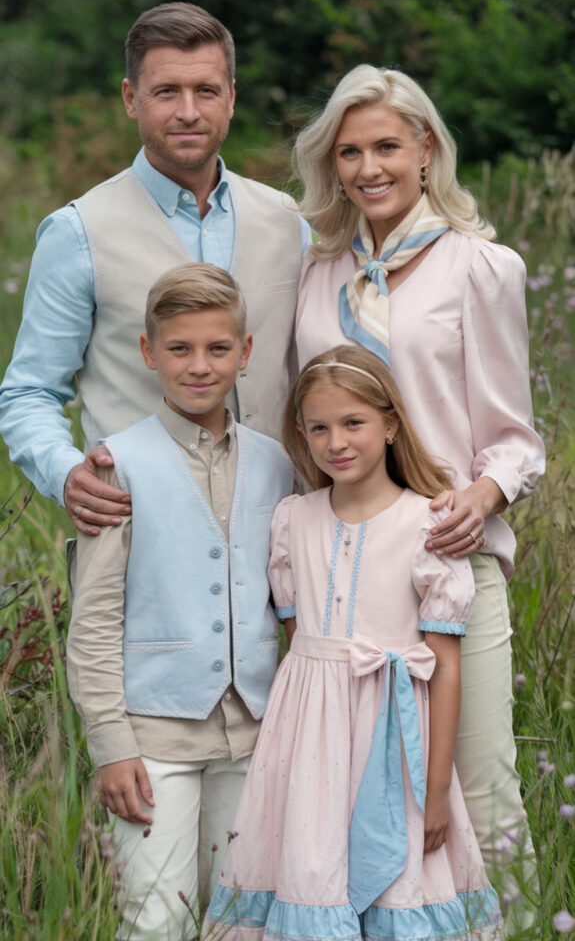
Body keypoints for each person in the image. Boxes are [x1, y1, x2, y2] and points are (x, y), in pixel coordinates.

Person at [292, 65, 545, 922]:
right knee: (360, 797)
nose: (368, 167)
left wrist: (481, 495)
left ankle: (512, 924)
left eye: (387, 146)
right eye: (350, 150)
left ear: (426, 148)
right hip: (346, 574)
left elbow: (515, 439)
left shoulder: (482, 267)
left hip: (448, 564)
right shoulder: (314, 272)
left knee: (479, 785)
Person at [203, 345, 504, 941]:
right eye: (319, 427)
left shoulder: (427, 526)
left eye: (353, 423)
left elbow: (444, 667)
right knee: (312, 870)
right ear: (301, 433)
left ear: (391, 425)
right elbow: (301, 651)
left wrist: (436, 789)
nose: (336, 441)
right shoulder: (293, 520)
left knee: (401, 877)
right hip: (308, 744)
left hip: (394, 738)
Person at [0, 2, 309, 535]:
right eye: (167, 92)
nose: (188, 111)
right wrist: (66, 472)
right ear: (130, 99)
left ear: (231, 99)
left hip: (280, 531)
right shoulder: (78, 232)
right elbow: (31, 391)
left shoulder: (287, 221)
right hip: (141, 533)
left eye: (206, 91)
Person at [66, 263, 293, 940]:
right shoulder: (117, 464)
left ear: (245, 353)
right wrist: (110, 745)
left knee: (241, 919)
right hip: (153, 738)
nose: (199, 366)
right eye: (179, 348)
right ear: (148, 352)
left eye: (218, 348)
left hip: (252, 732)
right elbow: (95, 620)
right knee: (156, 918)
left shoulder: (276, 462)